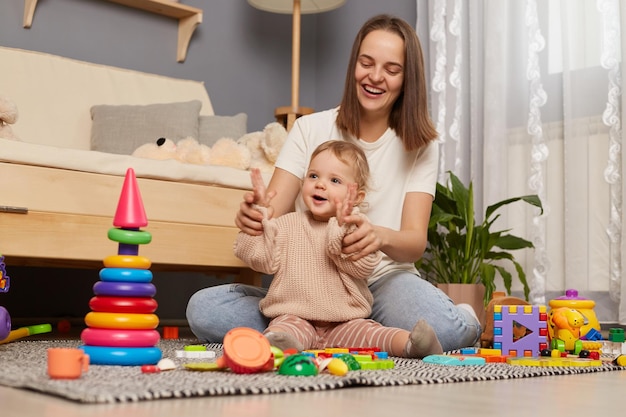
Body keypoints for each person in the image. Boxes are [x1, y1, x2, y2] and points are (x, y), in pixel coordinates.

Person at [186, 14, 481, 352]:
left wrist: (377, 235)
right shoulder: (309, 128)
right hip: (306, 288)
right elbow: (271, 209)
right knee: (204, 310)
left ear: (407, 78)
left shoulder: (420, 145)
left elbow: (414, 242)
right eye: (366, 63)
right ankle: (324, 329)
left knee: (446, 329)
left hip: (384, 282)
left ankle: (349, 329)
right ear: (353, 64)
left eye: (391, 69)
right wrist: (254, 218)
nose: (374, 77)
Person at [234, 141, 443, 358]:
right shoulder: (286, 224)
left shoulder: (358, 229)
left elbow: (361, 267)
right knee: (282, 328)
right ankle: (281, 345)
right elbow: (261, 260)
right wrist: (258, 222)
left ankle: (412, 344)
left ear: (357, 197)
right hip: (295, 316)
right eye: (313, 176)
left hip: (346, 322)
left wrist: (342, 227)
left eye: (334, 180)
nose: (320, 185)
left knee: (375, 334)